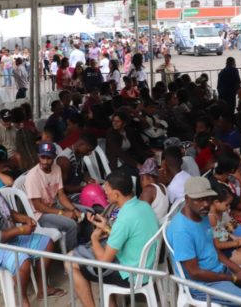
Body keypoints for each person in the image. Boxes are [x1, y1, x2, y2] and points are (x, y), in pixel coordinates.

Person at [0, 154, 65, 306]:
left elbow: (8, 212)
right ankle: (22, 300)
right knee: (22, 261)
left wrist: (24, 219)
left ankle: (42, 289)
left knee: (47, 243)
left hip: (8, 239)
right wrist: (21, 230)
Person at [166, 177, 241, 307]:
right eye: (200, 199)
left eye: (208, 199)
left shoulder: (202, 215)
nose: (206, 204)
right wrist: (234, 278)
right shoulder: (181, 230)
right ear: (187, 199)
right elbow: (195, 273)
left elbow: (215, 249)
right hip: (204, 285)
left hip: (220, 273)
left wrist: (239, 271)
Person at [68, 170, 159, 307]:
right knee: (86, 254)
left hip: (131, 275)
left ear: (116, 194)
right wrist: (106, 227)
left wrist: (94, 238)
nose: (105, 194)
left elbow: (104, 262)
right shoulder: (143, 206)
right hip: (147, 268)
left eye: (107, 191)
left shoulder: (124, 218)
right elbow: (131, 233)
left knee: (70, 262)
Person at [25, 142, 83, 250]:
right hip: (40, 215)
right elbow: (38, 206)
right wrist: (62, 213)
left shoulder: (57, 169)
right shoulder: (33, 176)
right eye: (43, 157)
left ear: (54, 157)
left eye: (49, 158)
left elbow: (61, 195)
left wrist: (73, 209)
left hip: (54, 206)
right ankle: (72, 256)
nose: (45, 161)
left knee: (84, 212)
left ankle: (85, 245)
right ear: (38, 156)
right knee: (72, 225)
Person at [56, 131, 98, 201]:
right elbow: (62, 188)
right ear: (80, 144)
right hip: (68, 197)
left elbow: (82, 172)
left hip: (79, 191)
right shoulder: (64, 160)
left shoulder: (79, 154)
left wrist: (89, 180)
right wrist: (84, 188)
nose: (89, 154)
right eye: (88, 150)